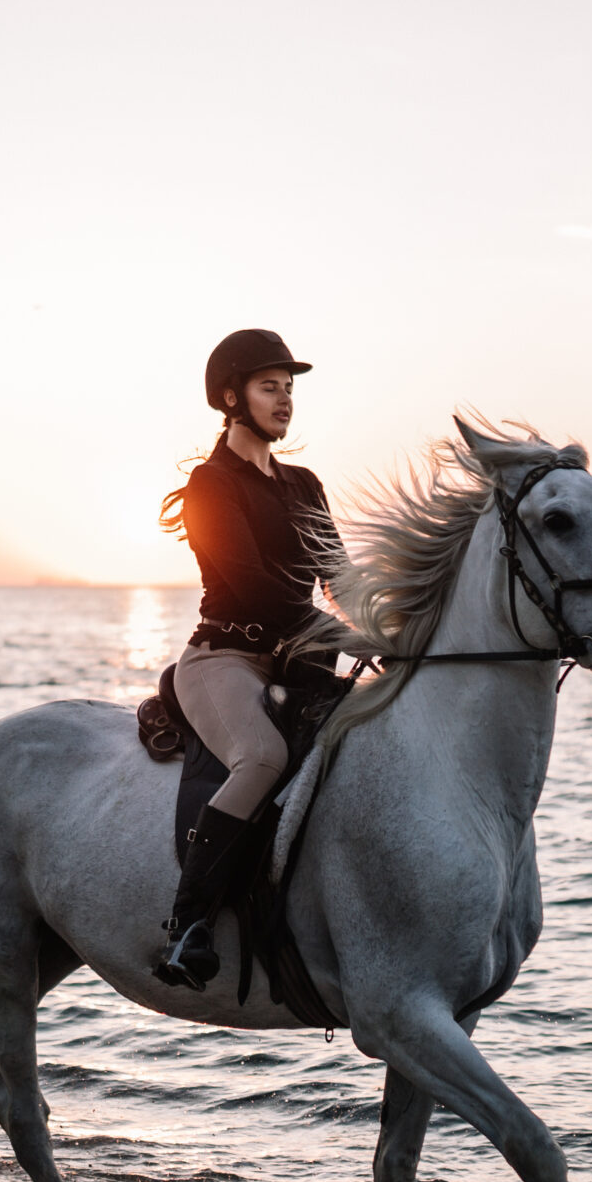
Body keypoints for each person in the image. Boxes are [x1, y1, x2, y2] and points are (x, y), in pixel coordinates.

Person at [153, 328, 344, 991]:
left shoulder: (305, 483)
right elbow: (254, 586)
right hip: (224, 656)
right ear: (232, 397)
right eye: (271, 387)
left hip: (302, 656)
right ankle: (189, 925)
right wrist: (342, 635)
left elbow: (340, 579)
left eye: (290, 389)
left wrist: (397, 627)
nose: (285, 400)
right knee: (264, 757)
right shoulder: (211, 484)